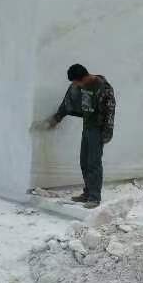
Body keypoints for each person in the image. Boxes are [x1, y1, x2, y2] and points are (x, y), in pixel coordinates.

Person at [43, 64, 115, 208]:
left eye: (76, 82)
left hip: (98, 129)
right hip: (87, 127)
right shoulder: (78, 85)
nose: (75, 86)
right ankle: (87, 193)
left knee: (94, 163)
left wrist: (107, 132)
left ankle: (94, 197)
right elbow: (67, 102)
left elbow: (110, 111)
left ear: (84, 78)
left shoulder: (103, 88)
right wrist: (56, 119)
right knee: (84, 162)